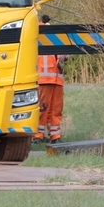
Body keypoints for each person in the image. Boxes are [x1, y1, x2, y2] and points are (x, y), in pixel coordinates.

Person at [37, 14, 67, 143]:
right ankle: (37, 135)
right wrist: (43, 24)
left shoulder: (57, 37)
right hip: (43, 80)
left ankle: (55, 136)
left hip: (57, 80)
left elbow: (66, 54)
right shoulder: (37, 35)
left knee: (56, 110)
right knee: (42, 109)